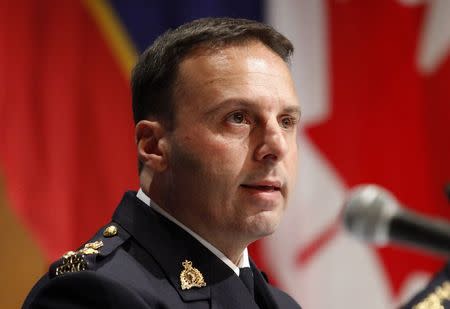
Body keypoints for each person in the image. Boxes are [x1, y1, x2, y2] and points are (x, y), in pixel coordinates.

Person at [23, 17, 302, 308]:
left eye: (286, 121)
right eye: (237, 118)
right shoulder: (93, 295)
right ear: (153, 145)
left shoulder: (280, 304)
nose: (277, 146)